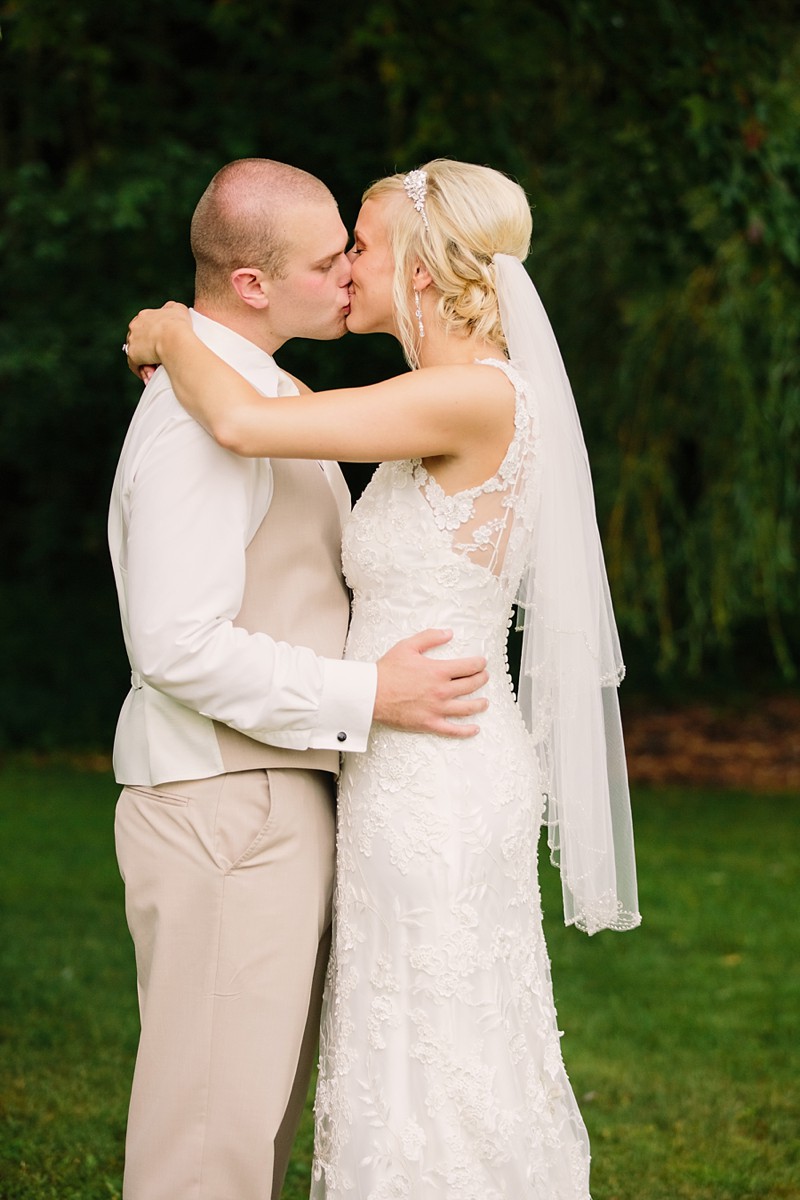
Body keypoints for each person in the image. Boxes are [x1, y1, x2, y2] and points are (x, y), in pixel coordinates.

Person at [125, 158, 641, 1200]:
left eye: (359, 242)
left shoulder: (466, 393)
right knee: (406, 1042)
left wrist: (177, 332)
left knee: (436, 1046)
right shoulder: (430, 402)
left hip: (432, 769)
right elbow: (274, 429)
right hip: (406, 757)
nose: (348, 265)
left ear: (417, 260)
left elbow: (248, 427)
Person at [109, 158, 491, 1200]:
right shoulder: (200, 420)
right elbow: (175, 644)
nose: (347, 276)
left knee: (247, 1128)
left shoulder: (262, 397)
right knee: (204, 1144)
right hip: (224, 800)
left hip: (270, 793)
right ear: (250, 285)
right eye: (329, 261)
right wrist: (366, 697)